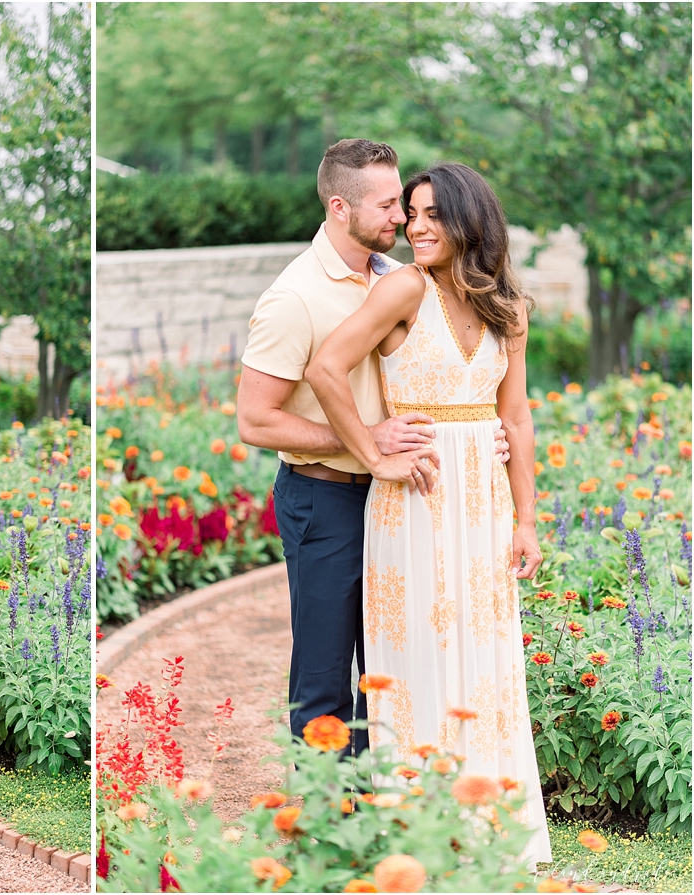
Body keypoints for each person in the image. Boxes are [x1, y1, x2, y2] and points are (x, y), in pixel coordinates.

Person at [304, 162, 550, 865]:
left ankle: (488, 825)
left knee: (487, 660)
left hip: (486, 505)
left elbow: (518, 416)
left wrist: (526, 517)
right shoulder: (404, 287)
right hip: (412, 502)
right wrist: (375, 454)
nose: (415, 226)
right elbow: (326, 368)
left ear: (470, 221)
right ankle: (417, 830)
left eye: (432, 213)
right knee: (418, 657)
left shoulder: (509, 307)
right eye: (410, 212)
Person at [236, 140, 509, 757]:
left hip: (404, 501)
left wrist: (473, 431)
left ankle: (379, 811)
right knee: (326, 673)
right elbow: (256, 421)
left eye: (407, 208)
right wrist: (365, 443)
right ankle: (328, 828)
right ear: (340, 207)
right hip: (326, 499)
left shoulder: (400, 276)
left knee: (395, 664)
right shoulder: (293, 298)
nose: (404, 221)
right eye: (390, 207)